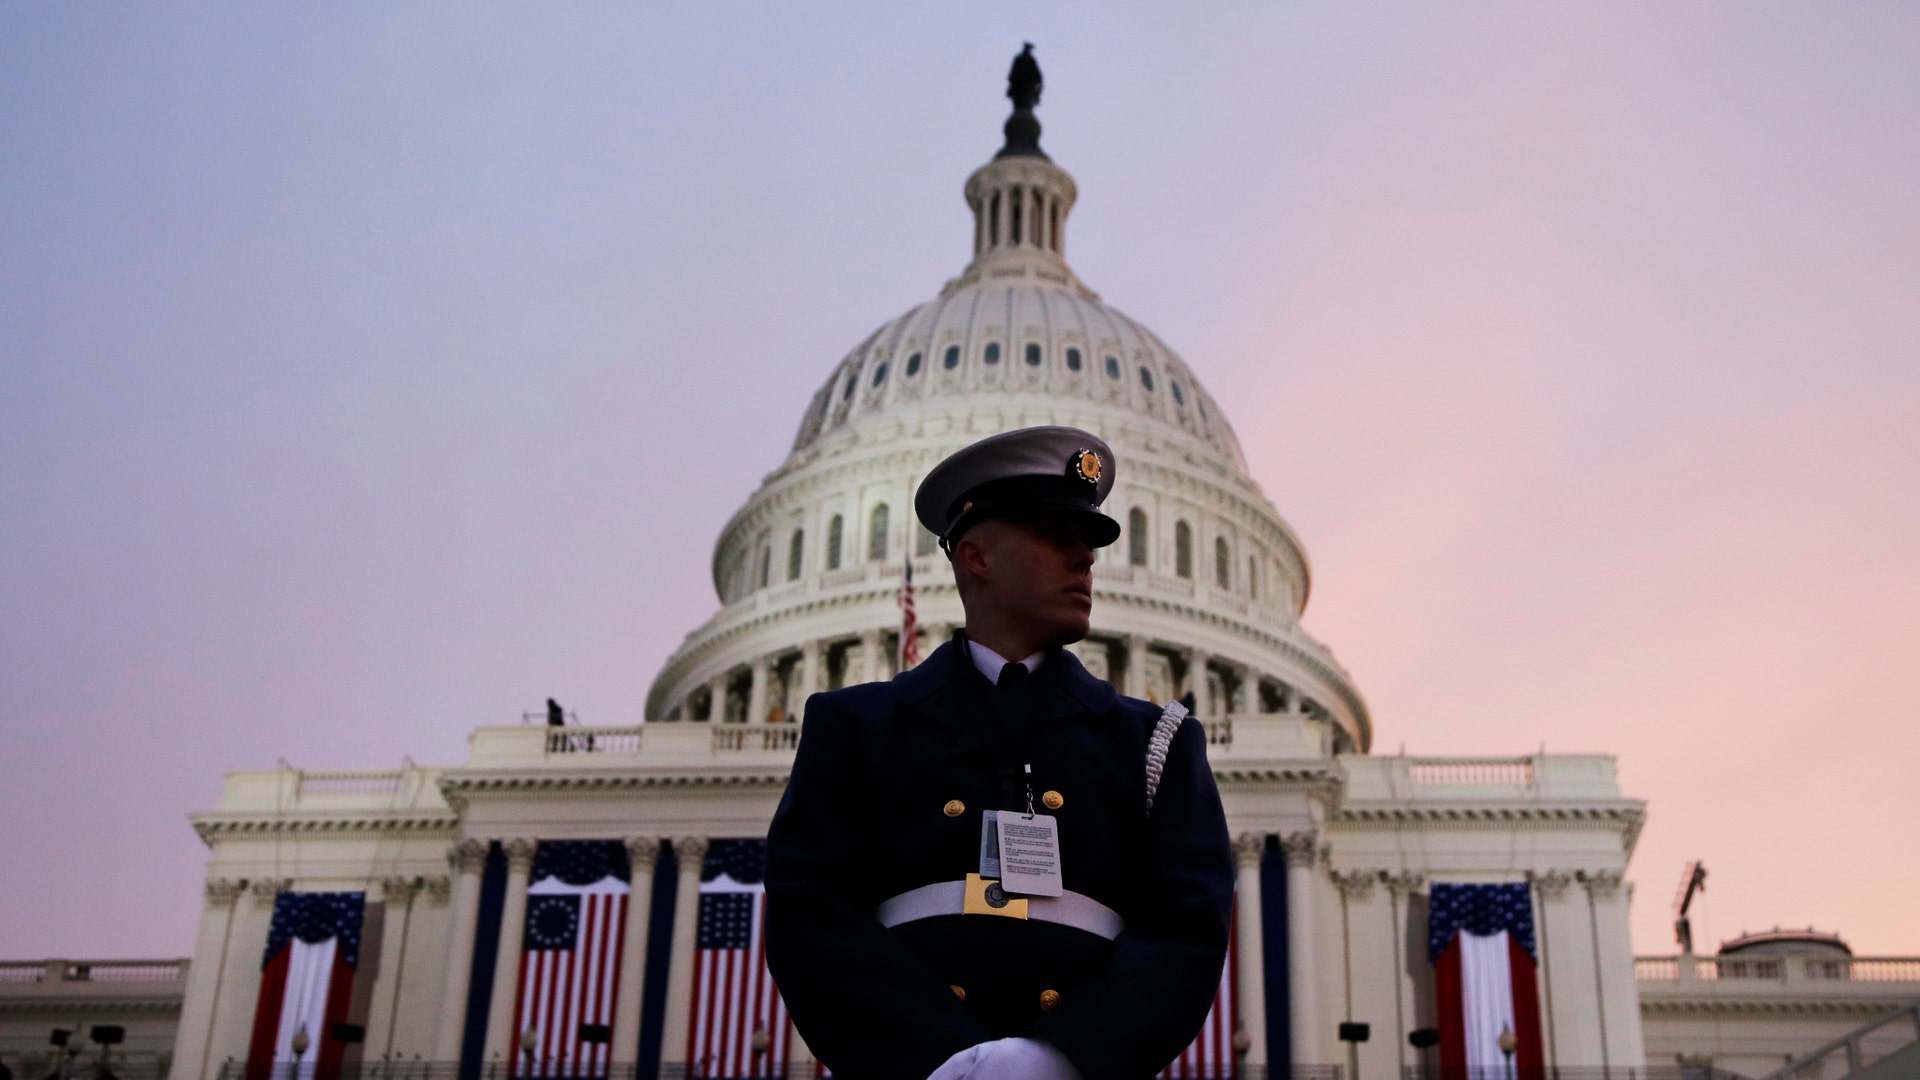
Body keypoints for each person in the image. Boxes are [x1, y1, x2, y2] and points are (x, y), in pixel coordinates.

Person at [766, 426, 1233, 1080]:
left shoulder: (1155, 744)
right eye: (1055, 536)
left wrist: (1051, 1058)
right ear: (976, 557)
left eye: (1089, 542)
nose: (1085, 560)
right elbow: (811, 920)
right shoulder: (856, 728)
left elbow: (1185, 932)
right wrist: (945, 1061)